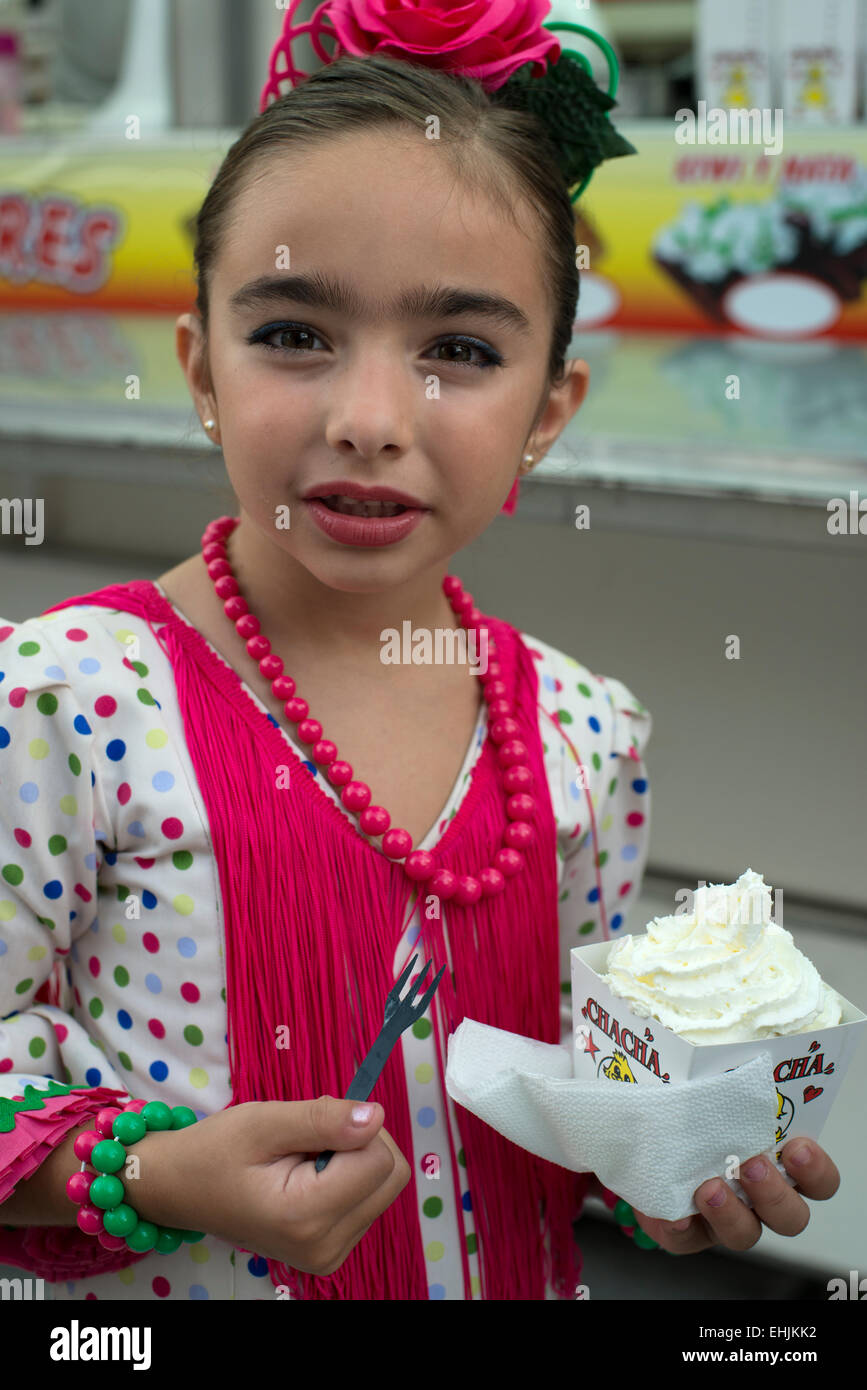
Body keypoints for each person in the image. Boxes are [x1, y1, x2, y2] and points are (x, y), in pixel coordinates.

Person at [0, 23, 839, 1300]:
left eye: (460, 351)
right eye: (292, 333)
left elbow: (575, 1085)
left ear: (548, 411)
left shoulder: (581, 732)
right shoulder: (63, 702)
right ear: (200, 370)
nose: (370, 421)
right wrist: (151, 1173)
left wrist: (669, 1164)